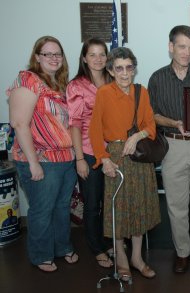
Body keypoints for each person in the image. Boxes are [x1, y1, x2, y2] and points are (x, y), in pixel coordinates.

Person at [148, 25, 190, 274]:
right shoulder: (157, 78)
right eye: (181, 46)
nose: (186, 52)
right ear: (171, 47)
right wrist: (174, 122)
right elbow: (152, 115)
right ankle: (182, 252)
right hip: (173, 146)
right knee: (176, 206)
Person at [8, 36, 78, 272]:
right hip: (41, 159)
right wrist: (34, 163)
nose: (54, 58)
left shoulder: (58, 84)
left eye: (58, 53)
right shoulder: (28, 79)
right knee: (42, 209)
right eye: (47, 54)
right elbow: (19, 123)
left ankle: (62, 247)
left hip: (65, 159)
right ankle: (41, 255)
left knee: (61, 207)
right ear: (37, 57)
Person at [89, 47, 160, 280]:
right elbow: (95, 130)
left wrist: (136, 136)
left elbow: (151, 127)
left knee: (139, 209)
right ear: (110, 70)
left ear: (134, 69)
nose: (124, 73)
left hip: (139, 155)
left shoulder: (142, 92)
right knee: (118, 212)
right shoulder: (104, 93)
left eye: (129, 67)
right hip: (115, 157)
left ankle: (137, 258)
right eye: (119, 68)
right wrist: (104, 158)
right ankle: (120, 257)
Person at [66, 38, 113, 268]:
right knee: (93, 204)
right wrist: (80, 159)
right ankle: (96, 248)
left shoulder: (113, 80)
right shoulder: (76, 85)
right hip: (88, 152)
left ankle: (108, 240)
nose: (98, 59)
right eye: (92, 54)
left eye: (102, 54)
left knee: (110, 201)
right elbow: (74, 124)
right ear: (84, 58)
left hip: (112, 152)